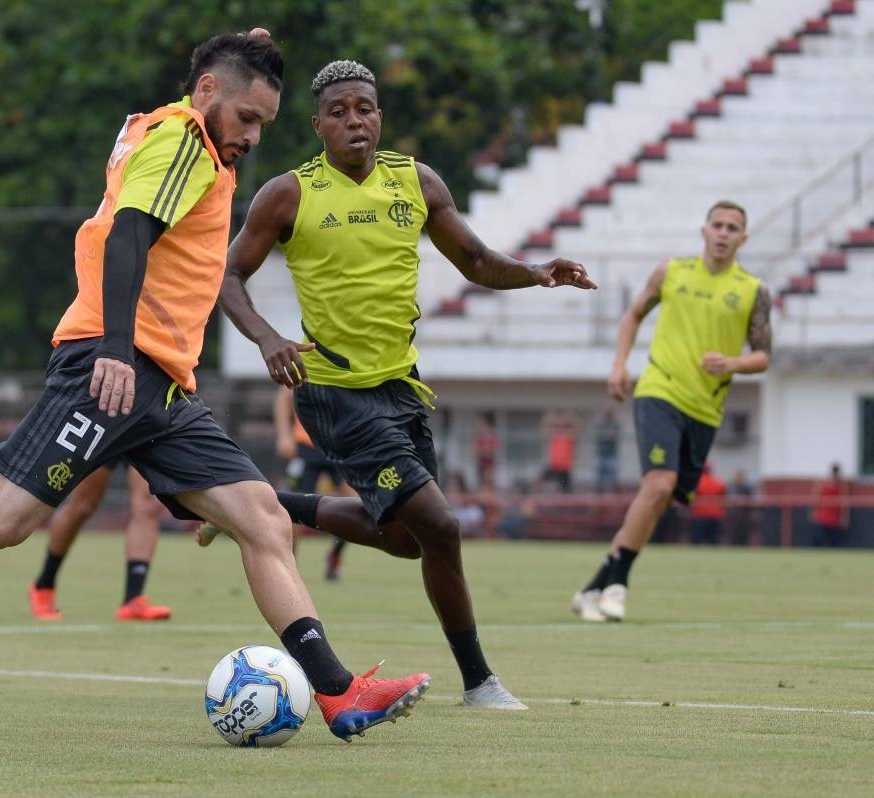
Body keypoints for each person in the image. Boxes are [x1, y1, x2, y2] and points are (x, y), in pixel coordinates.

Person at [0, 31, 430, 743]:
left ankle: (338, 692)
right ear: (205, 95)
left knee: (261, 519)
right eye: (248, 119)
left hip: (164, 383)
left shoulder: (192, 130)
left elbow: (181, 160)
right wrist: (111, 348)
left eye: (263, 122)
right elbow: (127, 233)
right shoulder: (184, 143)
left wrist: (250, 46)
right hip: (117, 364)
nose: (254, 137)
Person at [215, 59, 596, 709]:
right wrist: (269, 338)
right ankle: (480, 682)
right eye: (338, 112)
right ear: (317, 126)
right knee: (442, 528)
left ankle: (261, 506)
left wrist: (537, 272)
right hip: (334, 392)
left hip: (402, 391)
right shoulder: (289, 194)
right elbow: (227, 276)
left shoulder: (415, 181)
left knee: (403, 539)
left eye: (364, 107)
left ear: (379, 115)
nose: (353, 121)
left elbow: (475, 261)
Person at [571, 199, 772, 622]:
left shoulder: (753, 291)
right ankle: (619, 585)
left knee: (660, 501)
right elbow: (633, 316)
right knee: (659, 484)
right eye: (716, 225)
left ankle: (594, 588)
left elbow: (764, 356)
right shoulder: (671, 272)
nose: (722, 233)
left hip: (705, 410)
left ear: (743, 238)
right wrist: (619, 365)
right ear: (704, 231)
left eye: (732, 227)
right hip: (659, 390)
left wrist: (733, 363)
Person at [27, 462, 172, 622]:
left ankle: (133, 600)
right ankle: (44, 586)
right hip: (105, 436)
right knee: (83, 505)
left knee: (148, 506)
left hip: (137, 436)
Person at [273, 386, 354, 580]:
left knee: (355, 503)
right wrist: (284, 436)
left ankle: (335, 554)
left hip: (338, 447)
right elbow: (283, 399)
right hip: (305, 448)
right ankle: (289, 565)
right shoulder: (306, 361)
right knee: (293, 510)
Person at [540, 410, 579, 493]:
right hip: (554, 466)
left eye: (563, 425)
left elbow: (578, 428)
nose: (561, 426)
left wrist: (571, 416)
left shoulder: (569, 436)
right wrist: (551, 416)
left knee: (566, 490)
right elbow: (544, 428)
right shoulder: (554, 435)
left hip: (565, 468)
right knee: (540, 481)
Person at [811, 463, 849, 547]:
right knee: (817, 539)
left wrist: (844, 517)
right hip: (822, 517)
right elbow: (816, 498)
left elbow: (844, 503)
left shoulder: (841, 485)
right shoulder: (823, 483)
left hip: (835, 518)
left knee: (834, 542)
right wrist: (814, 511)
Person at [688, 462, 726, 545]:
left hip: (699, 514)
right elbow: (723, 495)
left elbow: (690, 496)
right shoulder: (718, 482)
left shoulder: (696, 482)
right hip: (715, 514)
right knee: (714, 539)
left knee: (696, 540)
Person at [593, 409, 620, 493]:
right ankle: (598, 493)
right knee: (599, 476)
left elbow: (614, 435)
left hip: (611, 454)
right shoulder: (600, 424)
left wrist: (607, 435)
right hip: (601, 453)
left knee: (612, 476)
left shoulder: (615, 424)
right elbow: (599, 435)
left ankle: (612, 493)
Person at [726, 469, 755, 546]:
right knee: (733, 535)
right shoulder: (731, 486)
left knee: (744, 535)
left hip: (744, 516)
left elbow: (751, 500)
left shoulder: (747, 487)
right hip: (733, 515)